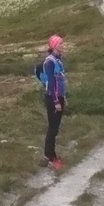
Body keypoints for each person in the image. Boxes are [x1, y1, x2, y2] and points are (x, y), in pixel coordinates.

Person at [37, 33, 68, 170]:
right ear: (55, 46)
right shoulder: (50, 61)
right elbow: (51, 83)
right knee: (52, 128)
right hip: (53, 98)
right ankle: (50, 157)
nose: (63, 45)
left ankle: (50, 155)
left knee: (54, 128)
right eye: (60, 43)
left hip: (59, 97)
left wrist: (63, 98)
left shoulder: (57, 60)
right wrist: (56, 101)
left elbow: (59, 81)